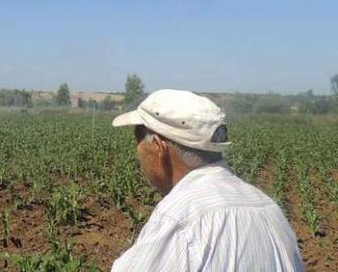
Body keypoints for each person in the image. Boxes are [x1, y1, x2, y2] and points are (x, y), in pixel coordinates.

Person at [111, 89, 304, 271]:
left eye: (137, 138)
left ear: (158, 147)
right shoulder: (269, 209)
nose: (138, 152)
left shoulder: (180, 218)